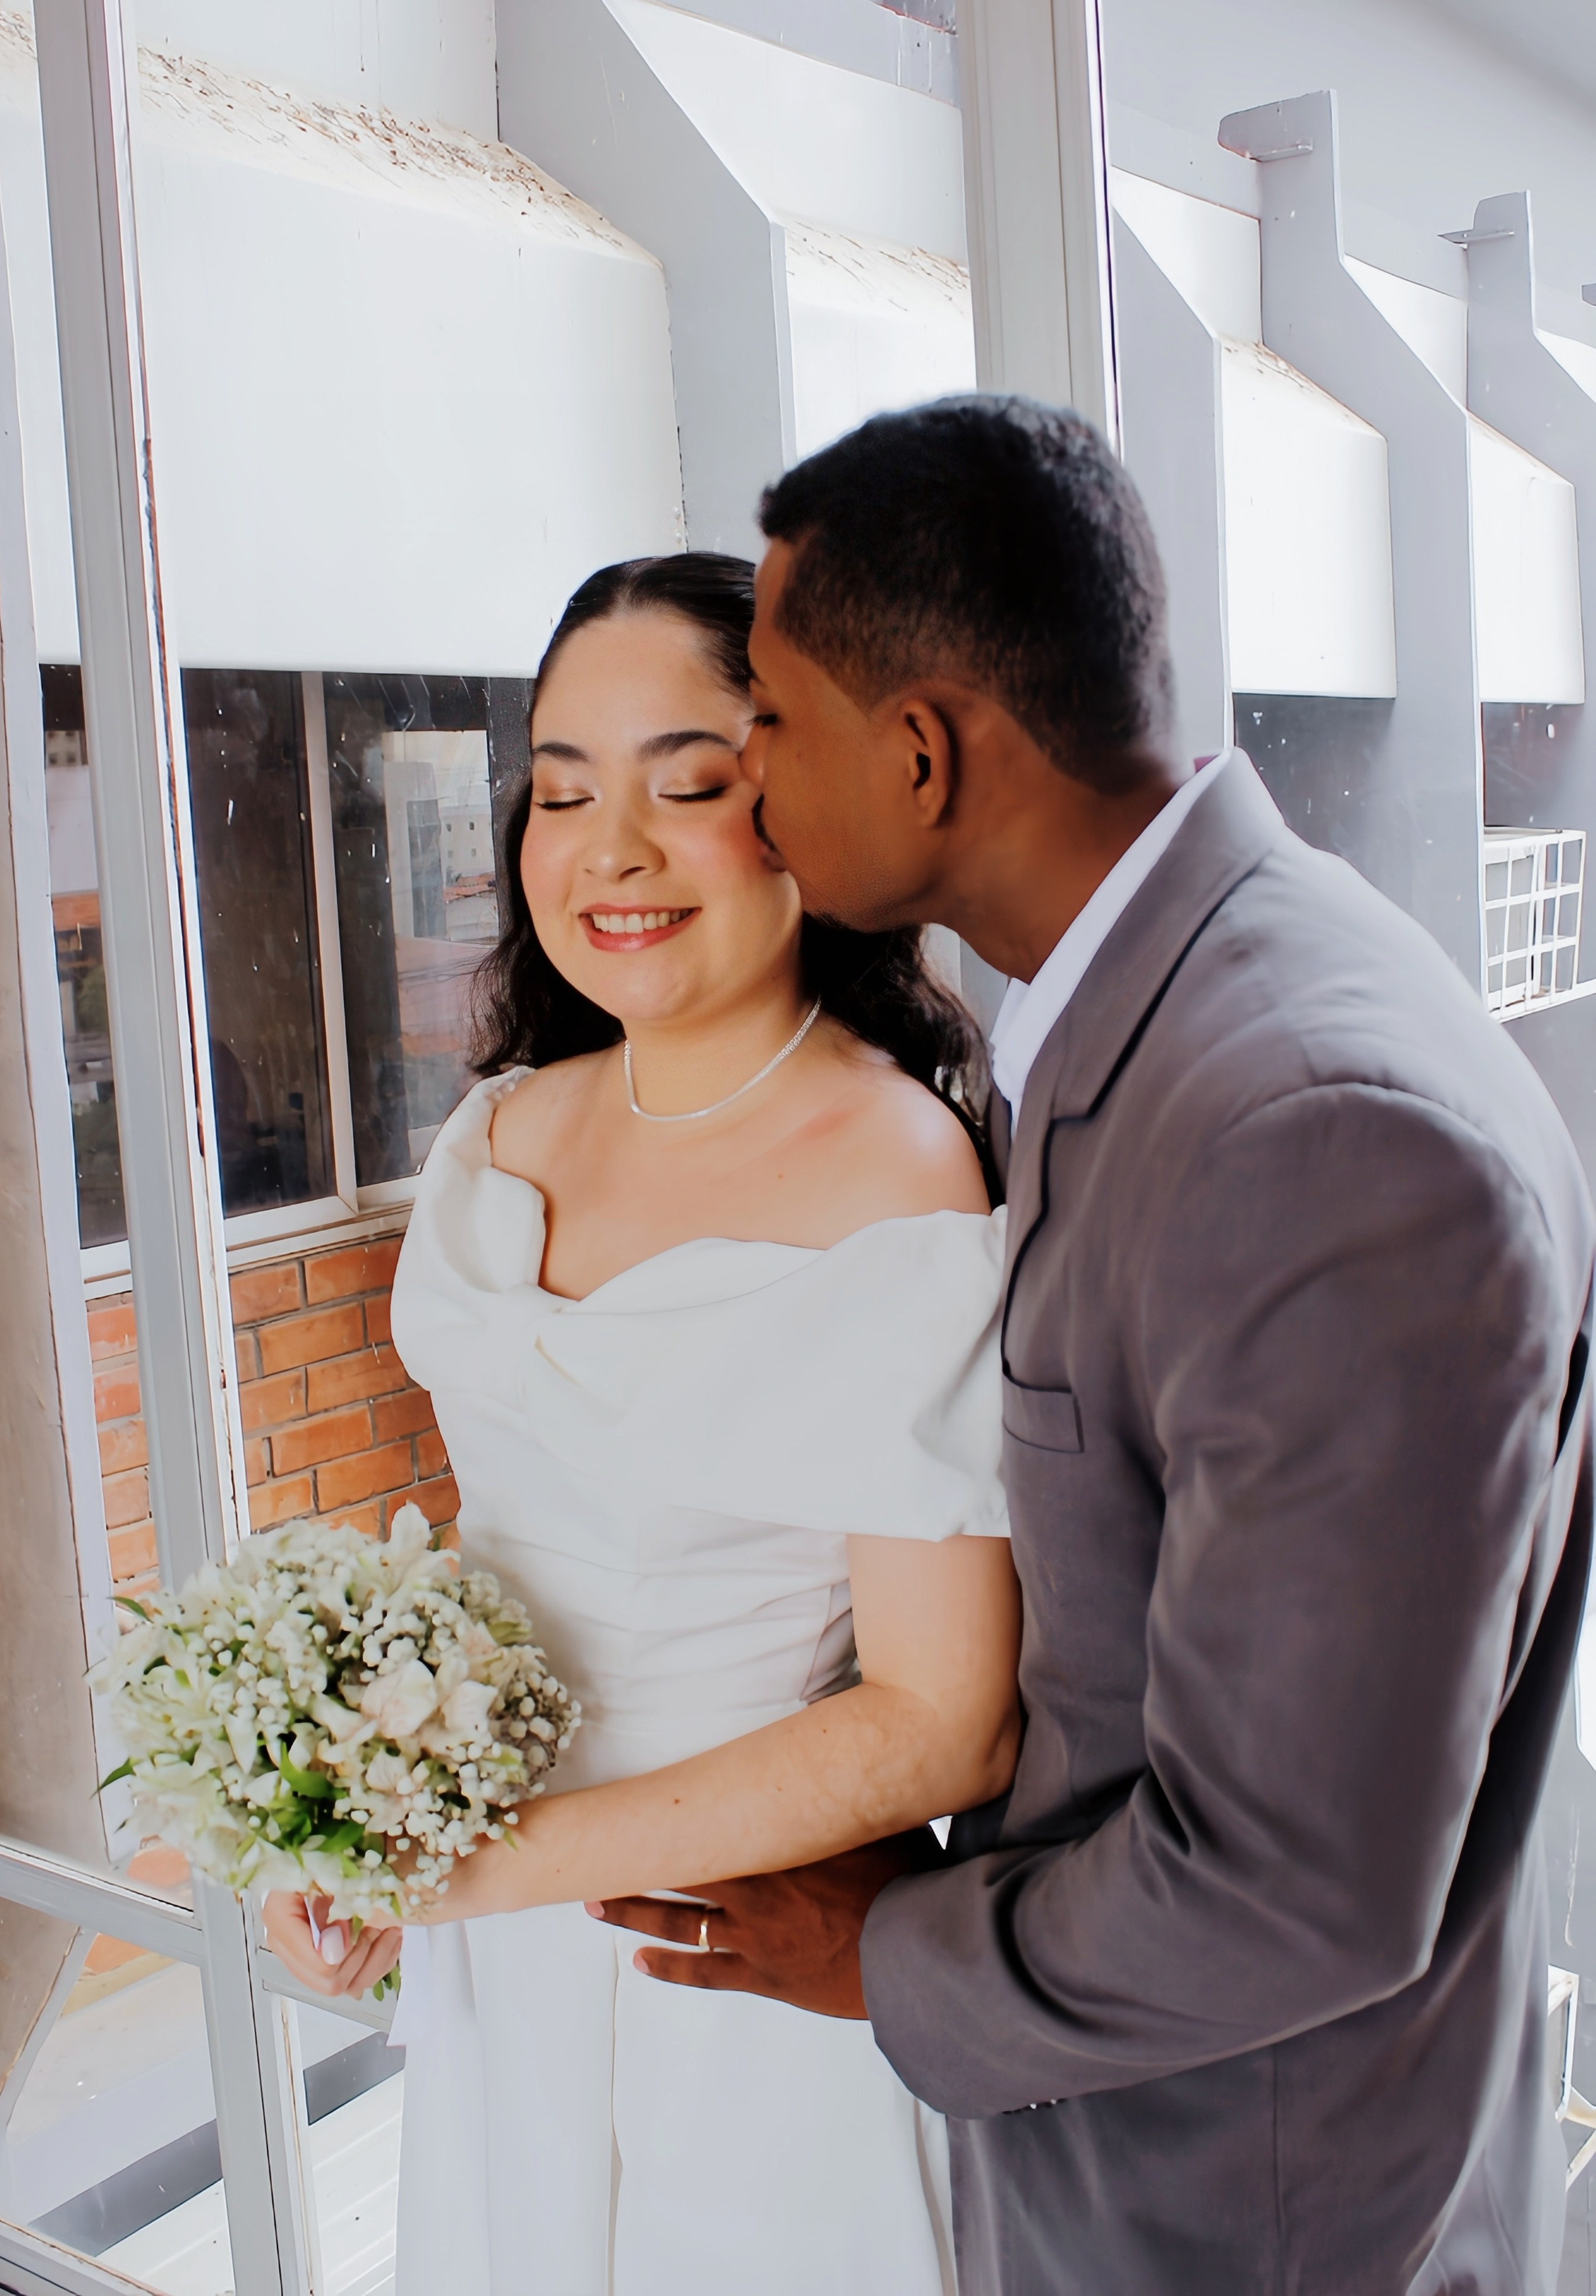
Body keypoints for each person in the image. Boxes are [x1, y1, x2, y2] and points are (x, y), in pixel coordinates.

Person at [592, 399, 1596, 2295]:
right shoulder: (1165, 1015)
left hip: (1253, 2221)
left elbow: (1292, 1882)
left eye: (770, 723)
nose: (743, 781)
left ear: (919, 751)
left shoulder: (1317, 1130)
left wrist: (877, 1957)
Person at [263, 550, 1021, 2296]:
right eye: (561, 790)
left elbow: (941, 1715)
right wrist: (360, 1825)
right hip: (498, 1955)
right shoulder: (498, 1136)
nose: (610, 849)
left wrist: (492, 1862)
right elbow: (489, 1556)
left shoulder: (897, 1169)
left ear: (802, 806)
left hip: (736, 1949)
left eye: (688, 786)